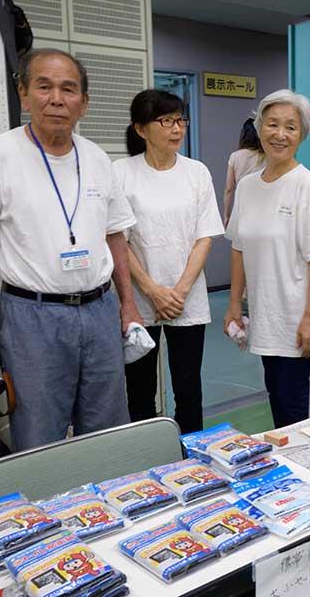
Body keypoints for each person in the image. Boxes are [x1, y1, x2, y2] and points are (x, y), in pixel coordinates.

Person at [0, 48, 140, 450]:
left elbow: (115, 236)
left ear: (84, 103)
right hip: (31, 317)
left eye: (68, 89)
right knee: (38, 432)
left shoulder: (97, 158)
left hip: (100, 311)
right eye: (44, 87)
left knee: (108, 427)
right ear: (24, 95)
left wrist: (128, 304)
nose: (56, 99)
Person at [223, 89, 310, 429]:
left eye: (291, 127)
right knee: (278, 397)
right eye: (272, 124)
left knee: (296, 409)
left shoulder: (309, 187)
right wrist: (234, 305)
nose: (280, 134)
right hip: (265, 316)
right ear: (259, 128)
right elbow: (239, 247)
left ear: (302, 135)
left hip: (296, 320)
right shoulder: (247, 186)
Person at [113, 89, 225, 434]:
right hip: (138, 300)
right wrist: (152, 290)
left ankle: (190, 455)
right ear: (141, 129)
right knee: (140, 389)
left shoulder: (196, 172)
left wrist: (179, 291)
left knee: (189, 388)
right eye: (166, 121)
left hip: (186, 298)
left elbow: (205, 236)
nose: (177, 128)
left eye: (180, 120)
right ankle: (148, 454)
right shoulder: (121, 172)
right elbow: (118, 240)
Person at [222, 118, 264, 227]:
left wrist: (226, 215)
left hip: (241, 208)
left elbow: (229, 189)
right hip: (263, 208)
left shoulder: (235, 156)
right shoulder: (266, 157)